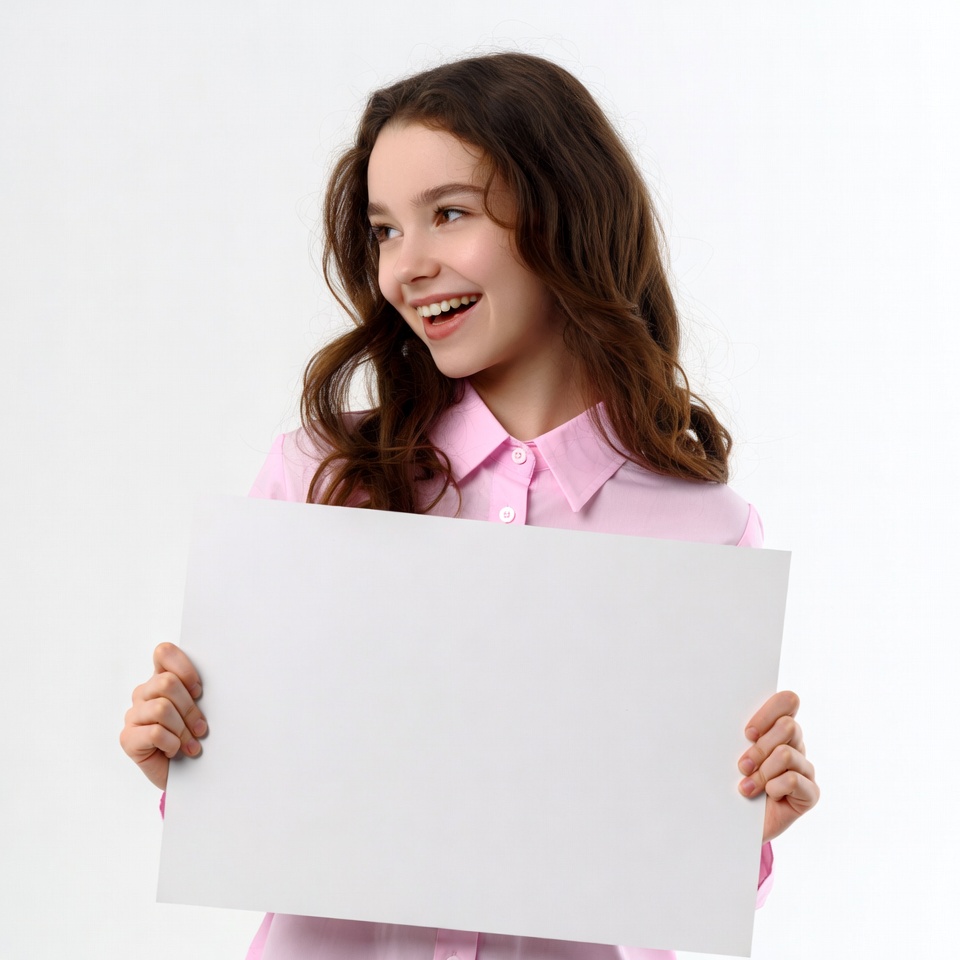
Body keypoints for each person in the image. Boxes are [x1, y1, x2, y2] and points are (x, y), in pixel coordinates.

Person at [120, 52, 819, 960]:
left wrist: (748, 828)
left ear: (562, 214)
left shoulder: (706, 530)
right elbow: (275, 814)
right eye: (383, 230)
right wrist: (186, 759)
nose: (406, 267)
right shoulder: (319, 478)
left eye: (447, 213)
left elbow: (666, 878)